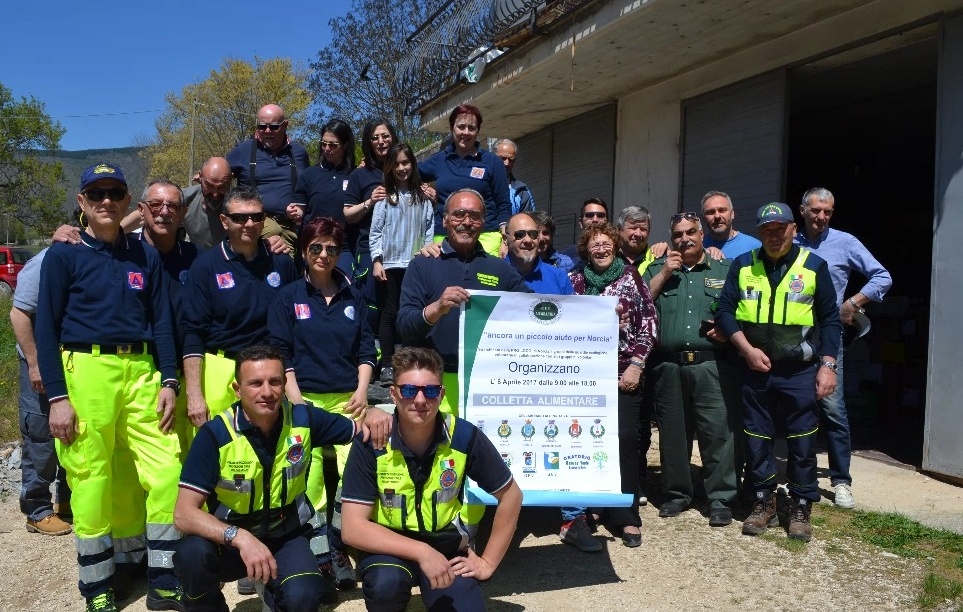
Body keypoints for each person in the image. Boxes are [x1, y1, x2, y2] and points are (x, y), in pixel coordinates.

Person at [36, 163, 184, 611]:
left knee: (166, 471)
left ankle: (164, 577)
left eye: (114, 192)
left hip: (141, 370)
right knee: (92, 480)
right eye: (95, 193)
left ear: (126, 201)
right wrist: (58, 398)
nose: (106, 200)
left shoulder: (145, 255)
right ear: (81, 202)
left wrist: (171, 380)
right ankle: (97, 587)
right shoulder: (63, 255)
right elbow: (46, 327)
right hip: (87, 370)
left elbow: (161, 322)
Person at [172, 345, 391, 611]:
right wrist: (241, 538)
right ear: (237, 389)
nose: (267, 392)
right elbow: (183, 514)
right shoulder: (215, 435)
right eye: (255, 383)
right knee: (192, 555)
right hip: (230, 543)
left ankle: (271, 594)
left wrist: (374, 414)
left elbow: (359, 429)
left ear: (285, 384)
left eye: (275, 382)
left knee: (305, 596)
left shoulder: (304, 419)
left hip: (285, 537)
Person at [341, 347, 523, 612]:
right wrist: (422, 552)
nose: (419, 399)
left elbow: (511, 495)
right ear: (393, 394)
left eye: (430, 390)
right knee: (386, 586)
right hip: (386, 546)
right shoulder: (374, 441)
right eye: (408, 390)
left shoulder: (463, 436)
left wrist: (487, 563)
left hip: (445, 546)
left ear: (441, 394)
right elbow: (352, 528)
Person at [715, 202, 842, 542]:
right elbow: (724, 311)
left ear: (792, 229)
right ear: (759, 233)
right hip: (755, 368)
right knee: (757, 438)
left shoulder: (814, 266)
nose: (773, 235)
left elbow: (830, 319)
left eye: (780, 228)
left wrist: (828, 366)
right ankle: (763, 501)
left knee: (802, 441)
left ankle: (801, 505)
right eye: (766, 230)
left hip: (799, 370)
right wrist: (746, 349)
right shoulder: (743, 265)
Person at [266, 216, 375, 592]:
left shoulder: (353, 295)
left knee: (354, 478)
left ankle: (343, 547)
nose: (324, 254)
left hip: (348, 400)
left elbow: (366, 349)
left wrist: (362, 391)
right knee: (308, 480)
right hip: (304, 398)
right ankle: (318, 558)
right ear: (303, 251)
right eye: (316, 247)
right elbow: (282, 354)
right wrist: (297, 403)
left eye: (331, 248)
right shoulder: (288, 297)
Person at [795, 187, 892, 509]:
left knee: (833, 408)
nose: (821, 216)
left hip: (829, 334)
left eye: (827, 211)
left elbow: (882, 276)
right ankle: (798, 476)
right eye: (815, 210)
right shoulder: (790, 241)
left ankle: (841, 482)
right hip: (794, 335)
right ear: (803, 211)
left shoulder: (845, 243)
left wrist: (853, 301)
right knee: (797, 404)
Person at [643, 212, 741, 527]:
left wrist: (729, 330)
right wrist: (663, 274)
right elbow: (639, 306)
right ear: (671, 240)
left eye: (691, 232)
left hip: (712, 365)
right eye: (678, 235)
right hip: (668, 365)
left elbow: (742, 310)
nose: (685, 239)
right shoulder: (657, 270)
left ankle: (720, 498)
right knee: (673, 433)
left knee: (717, 434)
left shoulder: (725, 270)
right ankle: (677, 494)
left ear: (702, 235)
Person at [397, 188, 530, 418]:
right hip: (432, 386)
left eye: (474, 216)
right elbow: (404, 326)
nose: (466, 222)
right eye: (459, 214)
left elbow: (531, 313)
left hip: (487, 384)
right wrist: (437, 308)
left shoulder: (500, 269)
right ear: (445, 219)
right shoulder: (423, 264)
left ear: (483, 222)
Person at [569, 222, 657, 548]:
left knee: (624, 439)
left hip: (624, 375)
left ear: (616, 246)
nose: (601, 249)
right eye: (595, 244)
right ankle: (592, 507)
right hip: (585, 379)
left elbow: (649, 323)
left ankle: (626, 515)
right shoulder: (574, 283)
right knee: (587, 442)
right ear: (586, 250)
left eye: (606, 243)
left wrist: (636, 365)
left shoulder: (631, 278)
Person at [181, 188, 299, 434]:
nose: (249, 224)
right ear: (224, 221)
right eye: (239, 218)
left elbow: (292, 326)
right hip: (219, 368)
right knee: (214, 453)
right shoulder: (205, 267)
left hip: (266, 372)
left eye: (256, 217)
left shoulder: (282, 263)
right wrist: (194, 394)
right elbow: (192, 332)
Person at [135, 179, 201, 454]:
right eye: (156, 204)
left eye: (173, 205)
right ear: (141, 210)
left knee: (189, 457)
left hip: (186, 375)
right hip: (140, 375)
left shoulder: (195, 258)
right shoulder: (124, 254)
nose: (164, 211)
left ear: (183, 212)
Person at [11, 245, 71, 536]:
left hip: (69, 363)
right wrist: (35, 364)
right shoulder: (44, 260)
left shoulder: (88, 251)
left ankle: (66, 501)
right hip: (39, 361)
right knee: (40, 434)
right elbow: (19, 314)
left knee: (71, 430)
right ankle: (36, 509)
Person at [369, 143, 435, 383]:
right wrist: (377, 260)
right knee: (390, 311)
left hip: (416, 264)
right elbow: (375, 232)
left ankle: (412, 361)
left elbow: (429, 230)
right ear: (389, 167)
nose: (401, 168)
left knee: (413, 313)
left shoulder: (423, 198)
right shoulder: (385, 198)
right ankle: (387, 364)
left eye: (405, 162)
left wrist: (426, 255)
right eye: (396, 163)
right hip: (391, 264)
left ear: (413, 165)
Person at [419, 104, 511, 256]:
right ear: (452, 128)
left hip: (486, 236)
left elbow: (503, 204)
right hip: (444, 237)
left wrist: (505, 240)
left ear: (478, 130)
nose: (466, 132)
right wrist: (420, 189)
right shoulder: (439, 160)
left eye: (471, 128)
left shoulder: (493, 162)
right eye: (461, 127)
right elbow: (405, 175)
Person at [226, 104, 309, 250]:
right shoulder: (243, 151)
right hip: (256, 223)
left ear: (285, 125)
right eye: (262, 126)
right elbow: (220, 172)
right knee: (274, 239)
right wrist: (205, 175)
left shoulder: (299, 153)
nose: (267, 131)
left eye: (274, 127)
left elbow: (307, 186)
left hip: (291, 225)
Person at [344, 119, 400, 331]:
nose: (381, 141)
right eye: (375, 138)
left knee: (400, 303)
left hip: (402, 249)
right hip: (369, 249)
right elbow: (348, 214)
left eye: (385, 136)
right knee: (371, 306)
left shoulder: (405, 168)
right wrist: (369, 202)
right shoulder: (359, 174)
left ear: (393, 137)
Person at [289, 119, 356, 274]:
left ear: (345, 145)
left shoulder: (355, 175)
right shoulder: (309, 174)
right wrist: (293, 212)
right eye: (323, 144)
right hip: (313, 244)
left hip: (344, 248)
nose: (327, 149)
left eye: (333, 145)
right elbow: (299, 210)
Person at [504, 212, 573, 296]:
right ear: (505, 239)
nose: (528, 240)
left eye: (533, 234)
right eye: (520, 234)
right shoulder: (492, 274)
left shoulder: (559, 278)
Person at [181, 157, 233, 249]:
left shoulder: (239, 205)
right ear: (200, 177)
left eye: (222, 187)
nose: (215, 194)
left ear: (230, 180)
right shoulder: (184, 199)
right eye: (209, 186)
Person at [701, 191, 761, 258]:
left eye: (722, 210)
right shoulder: (699, 248)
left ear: (732, 214)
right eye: (711, 212)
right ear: (703, 218)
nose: (717, 216)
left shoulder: (754, 247)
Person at [560, 198, 610, 268]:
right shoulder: (566, 258)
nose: (595, 219)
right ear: (581, 223)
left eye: (600, 216)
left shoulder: (617, 254)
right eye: (589, 215)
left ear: (607, 221)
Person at [494, 138, 536, 214]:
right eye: (502, 158)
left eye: (511, 160)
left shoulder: (522, 191)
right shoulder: (480, 183)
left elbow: (529, 221)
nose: (506, 163)